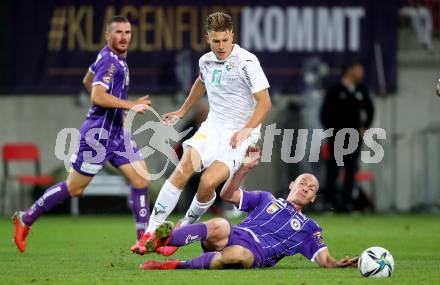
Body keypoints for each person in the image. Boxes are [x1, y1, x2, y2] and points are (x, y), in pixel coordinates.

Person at [131, 12, 271, 254]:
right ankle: (149, 234)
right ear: (207, 38)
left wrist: (246, 130)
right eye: (215, 41)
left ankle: (182, 229)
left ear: (232, 36)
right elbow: (201, 81)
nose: (221, 46)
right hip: (213, 127)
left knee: (207, 183)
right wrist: (183, 110)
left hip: (240, 133)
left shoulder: (247, 62)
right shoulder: (205, 61)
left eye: (225, 40)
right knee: (183, 169)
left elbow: (264, 102)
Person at [12, 16, 152, 253]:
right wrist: (129, 105)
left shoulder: (109, 58)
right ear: (108, 36)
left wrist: (117, 119)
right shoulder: (111, 63)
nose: (124, 36)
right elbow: (96, 95)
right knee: (75, 188)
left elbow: (88, 80)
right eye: (118, 32)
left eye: (127, 32)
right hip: (97, 136)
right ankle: (25, 218)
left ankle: (143, 239)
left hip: (116, 134)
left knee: (141, 179)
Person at [138, 146, 358, 270]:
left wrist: (339, 264)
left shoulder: (309, 228)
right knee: (221, 224)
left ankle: (173, 264)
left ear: (313, 199)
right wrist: (243, 169)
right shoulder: (266, 198)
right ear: (292, 185)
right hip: (235, 234)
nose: (306, 188)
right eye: (303, 183)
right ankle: (160, 241)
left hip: (255, 254)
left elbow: (325, 260)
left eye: (311, 188)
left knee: (238, 255)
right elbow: (226, 194)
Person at [320, 61, 374, 212]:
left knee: (351, 169)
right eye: (359, 69)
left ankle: (347, 203)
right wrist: (331, 131)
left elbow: (370, 109)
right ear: (350, 70)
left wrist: (365, 127)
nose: (361, 73)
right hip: (337, 136)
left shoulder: (361, 90)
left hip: (354, 136)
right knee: (334, 168)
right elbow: (324, 113)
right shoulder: (335, 90)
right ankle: (329, 203)